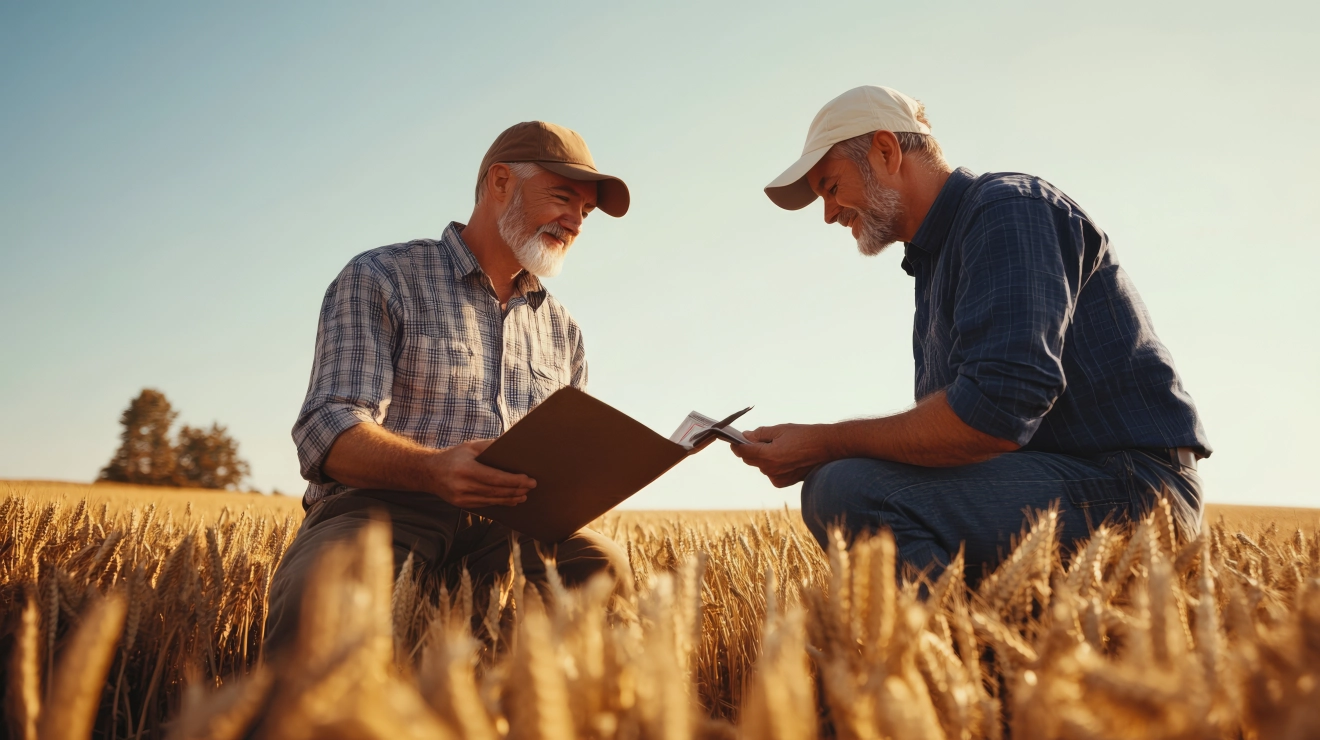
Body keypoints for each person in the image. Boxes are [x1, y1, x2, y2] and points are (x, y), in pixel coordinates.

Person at [732, 86, 1210, 578]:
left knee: (846, 489)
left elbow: (994, 411)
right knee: (857, 486)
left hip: (1132, 489)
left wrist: (825, 443)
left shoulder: (1008, 210)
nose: (829, 214)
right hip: (1056, 488)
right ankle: (989, 643)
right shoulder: (935, 261)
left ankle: (958, 652)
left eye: (831, 188)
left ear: (885, 150)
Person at [265, 121, 633, 653]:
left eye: (586, 211)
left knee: (603, 567)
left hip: (512, 528)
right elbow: (328, 428)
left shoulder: (563, 329)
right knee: (324, 596)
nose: (575, 221)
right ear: (501, 182)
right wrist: (433, 470)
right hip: (382, 511)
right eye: (563, 197)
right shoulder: (382, 276)